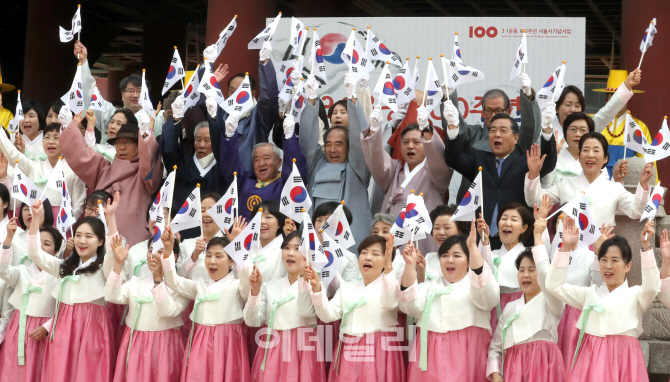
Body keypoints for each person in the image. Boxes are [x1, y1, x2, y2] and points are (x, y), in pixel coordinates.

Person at [546, 218, 660, 382]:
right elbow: (554, 286)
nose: (608, 265)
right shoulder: (589, 295)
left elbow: (652, 287)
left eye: (615, 260)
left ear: (628, 266)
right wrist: (565, 248)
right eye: (604, 260)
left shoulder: (636, 295)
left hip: (626, 361)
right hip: (590, 363)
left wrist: (646, 248)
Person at [26, 199, 116, 382]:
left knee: (88, 373)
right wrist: (36, 220)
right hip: (62, 325)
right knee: (59, 372)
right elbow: (34, 253)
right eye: (78, 235)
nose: (82, 241)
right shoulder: (64, 266)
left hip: (92, 326)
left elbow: (114, 252)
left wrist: (111, 217)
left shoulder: (105, 268)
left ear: (100, 241)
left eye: (89, 236)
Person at [399, 221, 499, 382]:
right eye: (445, 256)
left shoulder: (475, 284)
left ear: (468, 261)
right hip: (431, 353)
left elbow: (489, 299)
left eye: (457, 255)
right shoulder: (431, 285)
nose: (450, 260)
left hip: (469, 351)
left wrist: (473, 248)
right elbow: (411, 307)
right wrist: (410, 266)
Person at [445, 113, 557, 249]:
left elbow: (549, 162)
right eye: (493, 130)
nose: (497, 134)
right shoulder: (478, 158)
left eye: (503, 130)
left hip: (518, 239)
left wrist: (547, 131)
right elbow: (454, 160)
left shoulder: (526, 161)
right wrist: (452, 131)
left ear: (516, 138)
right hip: (483, 237)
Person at [306, 234, 406, 382]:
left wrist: (389, 269)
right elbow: (327, 315)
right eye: (364, 253)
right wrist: (316, 288)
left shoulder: (390, 285)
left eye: (375, 254)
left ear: (387, 260)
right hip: (349, 346)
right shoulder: (347, 287)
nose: (368, 257)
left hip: (380, 347)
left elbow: (390, 303)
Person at [160, 227, 252, 382]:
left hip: (227, 343)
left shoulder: (238, 286)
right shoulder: (199, 286)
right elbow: (173, 281)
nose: (212, 261)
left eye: (218, 256)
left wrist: (238, 245)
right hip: (199, 341)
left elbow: (247, 277)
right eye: (208, 256)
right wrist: (168, 250)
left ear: (231, 261)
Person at [61, 116, 162, 247]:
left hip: (133, 246)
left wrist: (145, 138)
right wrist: (67, 127)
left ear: (139, 146)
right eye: (118, 142)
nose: (122, 147)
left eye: (128, 142)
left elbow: (149, 160)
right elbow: (82, 155)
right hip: (98, 243)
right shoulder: (104, 170)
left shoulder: (145, 175)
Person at [300, 73, 373, 248]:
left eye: (339, 144)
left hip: (350, 243)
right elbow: (307, 142)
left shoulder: (358, 167)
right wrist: (310, 101)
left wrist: (352, 99)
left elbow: (359, 139)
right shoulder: (317, 163)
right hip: (316, 242)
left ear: (348, 147)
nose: (332, 150)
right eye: (328, 144)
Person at [244, 230, 326, 382]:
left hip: (302, 348)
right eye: (287, 248)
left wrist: (305, 283)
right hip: (271, 347)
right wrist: (255, 292)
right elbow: (252, 321)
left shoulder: (317, 286)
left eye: (297, 248)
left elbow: (307, 313)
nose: (290, 253)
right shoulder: (269, 286)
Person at [105, 234, 189, 382]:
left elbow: (168, 311)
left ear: (173, 256)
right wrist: (119, 263)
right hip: (135, 342)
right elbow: (112, 296)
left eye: (161, 251)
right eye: (151, 250)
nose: (154, 255)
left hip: (164, 346)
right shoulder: (135, 282)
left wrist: (158, 279)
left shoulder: (181, 286)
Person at [525, 132, 652, 227]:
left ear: (605, 159)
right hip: (568, 253)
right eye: (585, 150)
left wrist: (643, 184)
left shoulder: (614, 188)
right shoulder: (565, 184)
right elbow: (534, 201)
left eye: (596, 150)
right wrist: (534, 173)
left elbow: (636, 211)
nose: (590, 155)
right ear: (579, 157)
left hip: (601, 255)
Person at [486, 242, 566, 382]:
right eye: (521, 270)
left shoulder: (552, 301)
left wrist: (538, 236)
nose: (525, 274)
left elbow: (546, 275)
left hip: (544, 365)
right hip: (514, 368)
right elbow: (496, 347)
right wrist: (495, 373)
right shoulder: (509, 308)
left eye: (531, 269)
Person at [362, 110, 452, 229]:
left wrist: (426, 128)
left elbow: (438, 158)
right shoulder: (394, 171)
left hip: (423, 240)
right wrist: (374, 129)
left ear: (426, 144)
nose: (410, 146)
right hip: (392, 238)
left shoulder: (436, 174)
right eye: (405, 142)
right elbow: (376, 160)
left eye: (416, 142)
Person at [0, 218, 61, 382]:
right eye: (37, 243)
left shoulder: (60, 276)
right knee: (13, 371)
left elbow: (64, 310)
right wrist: (8, 240)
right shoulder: (21, 271)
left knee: (39, 371)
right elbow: (2, 269)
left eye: (47, 244)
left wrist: (46, 327)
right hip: (18, 327)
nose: (40, 248)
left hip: (43, 333)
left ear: (56, 251)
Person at [219, 114, 306, 222]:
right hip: (245, 237)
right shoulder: (244, 181)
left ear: (279, 162)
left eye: (266, 158)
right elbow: (229, 164)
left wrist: (289, 138)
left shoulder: (285, 184)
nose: (261, 163)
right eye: (256, 159)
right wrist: (229, 135)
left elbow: (296, 169)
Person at [74, 42, 161, 143]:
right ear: (122, 95)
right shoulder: (111, 114)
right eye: (131, 91)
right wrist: (83, 61)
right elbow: (89, 92)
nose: (135, 95)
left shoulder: (155, 117)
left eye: (140, 91)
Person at [215, 42, 280, 172]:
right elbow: (200, 108)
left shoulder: (259, 115)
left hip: (251, 177)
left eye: (241, 92)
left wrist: (265, 63)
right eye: (233, 91)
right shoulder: (221, 112)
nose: (236, 96)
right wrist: (212, 85)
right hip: (224, 176)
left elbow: (269, 98)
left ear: (253, 94)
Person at [0, 122, 86, 219]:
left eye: (56, 138)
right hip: (34, 220)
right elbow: (11, 154)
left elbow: (79, 205)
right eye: (47, 137)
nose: (51, 141)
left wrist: (62, 227)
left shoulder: (74, 170)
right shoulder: (33, 166)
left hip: (62, 223)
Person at [549, 69, 641, 151]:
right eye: (568, 105)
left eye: (577, 106)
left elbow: (609, 111)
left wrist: (627, 85)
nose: (573, 109)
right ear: (557, 108)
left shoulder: (589, 127)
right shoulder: (547, 130)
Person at [162, 115, 228, 227]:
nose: (202, 145)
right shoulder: (182, 164)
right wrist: (176, 121)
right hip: (182, 228)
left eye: (207, 140)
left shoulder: (222, 168)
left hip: (211, 229)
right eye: (198, 140)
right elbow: (169, 151)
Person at [478, 203, 534, 331]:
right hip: (492, 307)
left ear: (524, 228)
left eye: (513, 219)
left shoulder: (530, 253)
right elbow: (482, 275)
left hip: (521, 305)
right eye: (503, 218)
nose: (507, 223)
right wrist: (485, 242)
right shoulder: (490, 253)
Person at [593, 70, 653, 176]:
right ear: (608, 98)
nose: (618, 100)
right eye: (613, 96)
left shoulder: (639, 126)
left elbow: (647, 159)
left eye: (620, 96)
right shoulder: (595, 124)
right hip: (597, 179)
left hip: (627, 179)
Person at [543, 113, 612, 185]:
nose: (578, 134)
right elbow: (546, 186)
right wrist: (552, 157)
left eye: (583, 130)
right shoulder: (555, 156)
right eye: (573, 129)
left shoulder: (597, 161)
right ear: (565, 132)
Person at [423, 205, 470, 281]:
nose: (441, 233)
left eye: (447, 227)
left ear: (460, 231)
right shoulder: (428, 259)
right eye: (437, 228)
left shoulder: (469, 257)